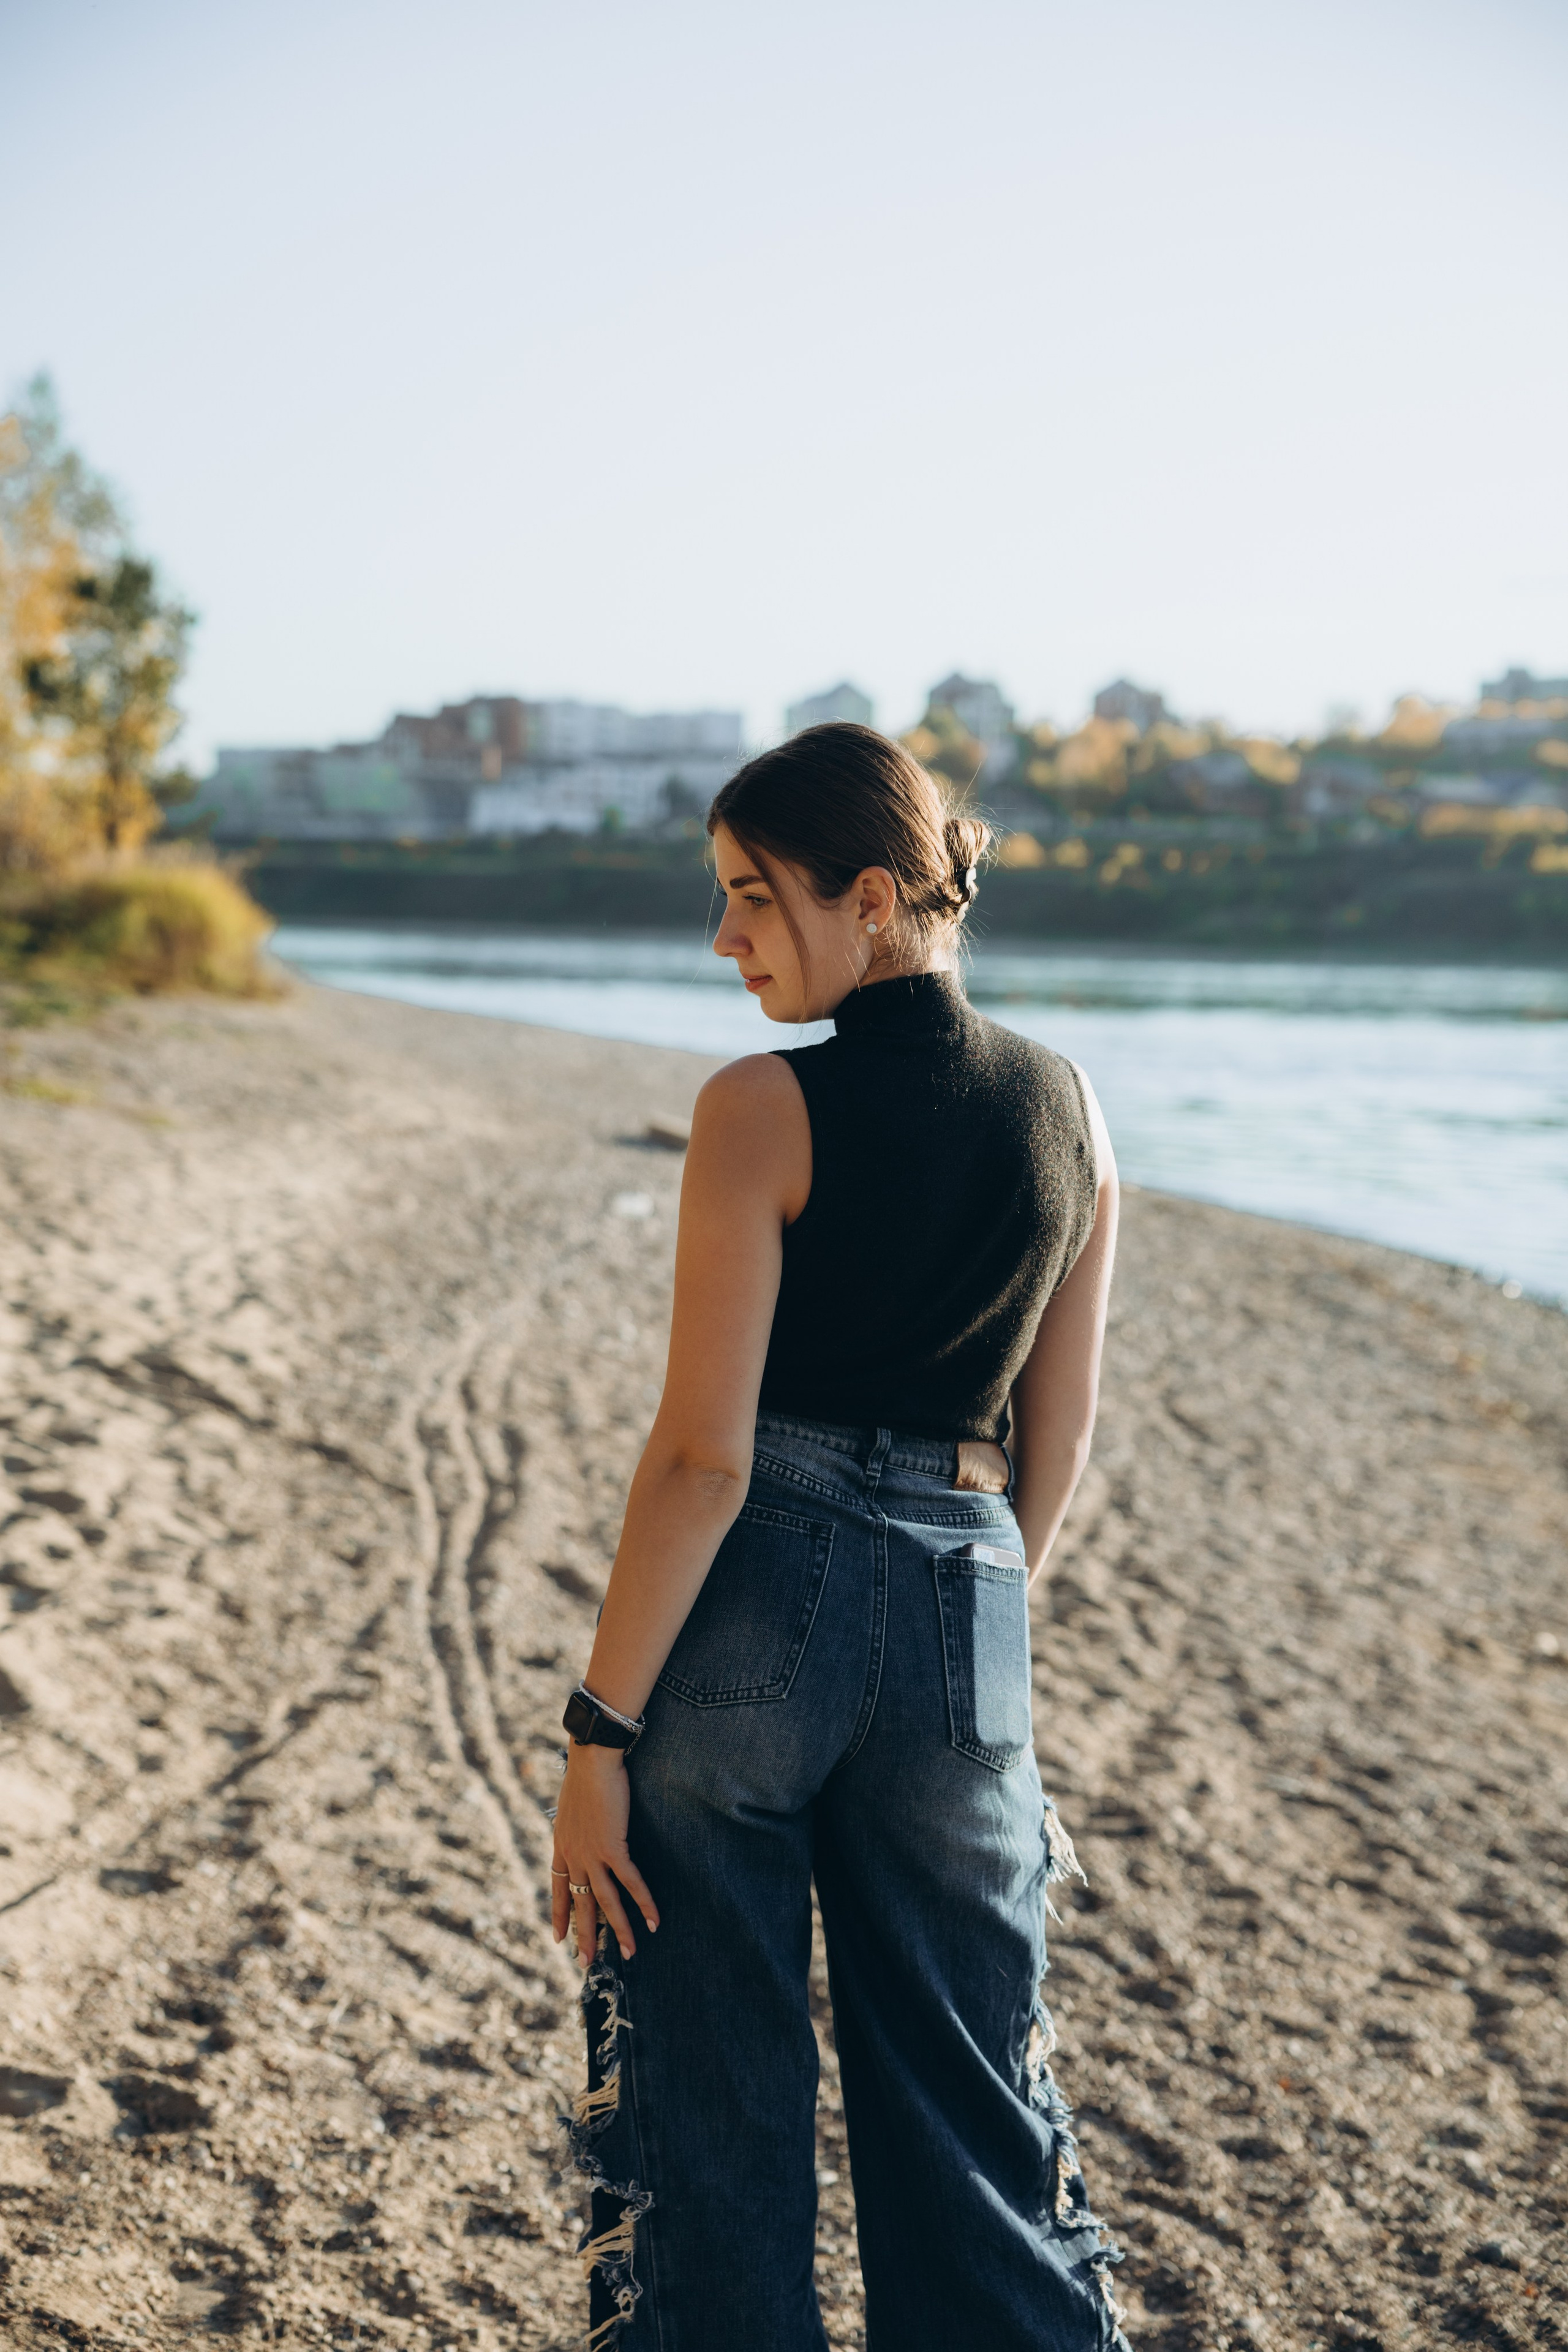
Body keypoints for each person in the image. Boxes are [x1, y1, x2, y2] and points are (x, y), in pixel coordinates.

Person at [549, 723, 1126, 2351]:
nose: (722, 939)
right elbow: (1056, 1445)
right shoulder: (1073, 1111)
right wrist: (970, 1632)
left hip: (760, 1612)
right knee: (973, 2096)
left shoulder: (756, 1110)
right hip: (973, 1578)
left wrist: (596, 1732)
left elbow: (702, 1460)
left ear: (873, 898)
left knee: (712, 2088)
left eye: (749, 898)